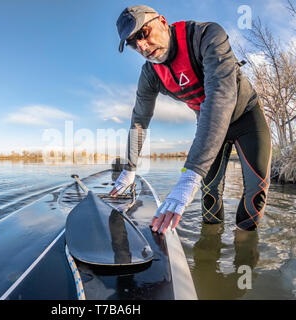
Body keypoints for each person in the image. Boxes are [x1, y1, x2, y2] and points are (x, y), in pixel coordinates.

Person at [109, 5, 272, 234]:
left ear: (163, 21)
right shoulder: (150, 75)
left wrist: (190, 175)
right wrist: (130, 168)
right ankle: (209, 254)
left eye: (143, 33)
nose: (142, 47)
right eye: (133, 43)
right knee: (210, 193)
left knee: (256, 190)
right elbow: (139, 120)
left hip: (246, 116)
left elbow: (220, 97)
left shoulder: (206, 36)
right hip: (208, 127)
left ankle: (243, 254)